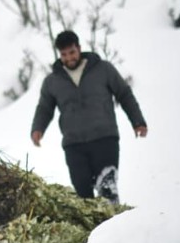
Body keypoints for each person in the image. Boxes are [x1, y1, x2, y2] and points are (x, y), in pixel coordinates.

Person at [30, 30, 148, 204]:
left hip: (105, 138)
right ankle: (95, 231)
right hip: (74, 145)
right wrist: (38, 129)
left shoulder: (103, 69)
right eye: (64, 54)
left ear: (79, 48)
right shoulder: (52, 81)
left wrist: (137, 122)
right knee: (83, 197)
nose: (69, 57)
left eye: (72, 52)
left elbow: (124, 94)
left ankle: (115, 225)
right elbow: (44, 108)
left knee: (107, 189)